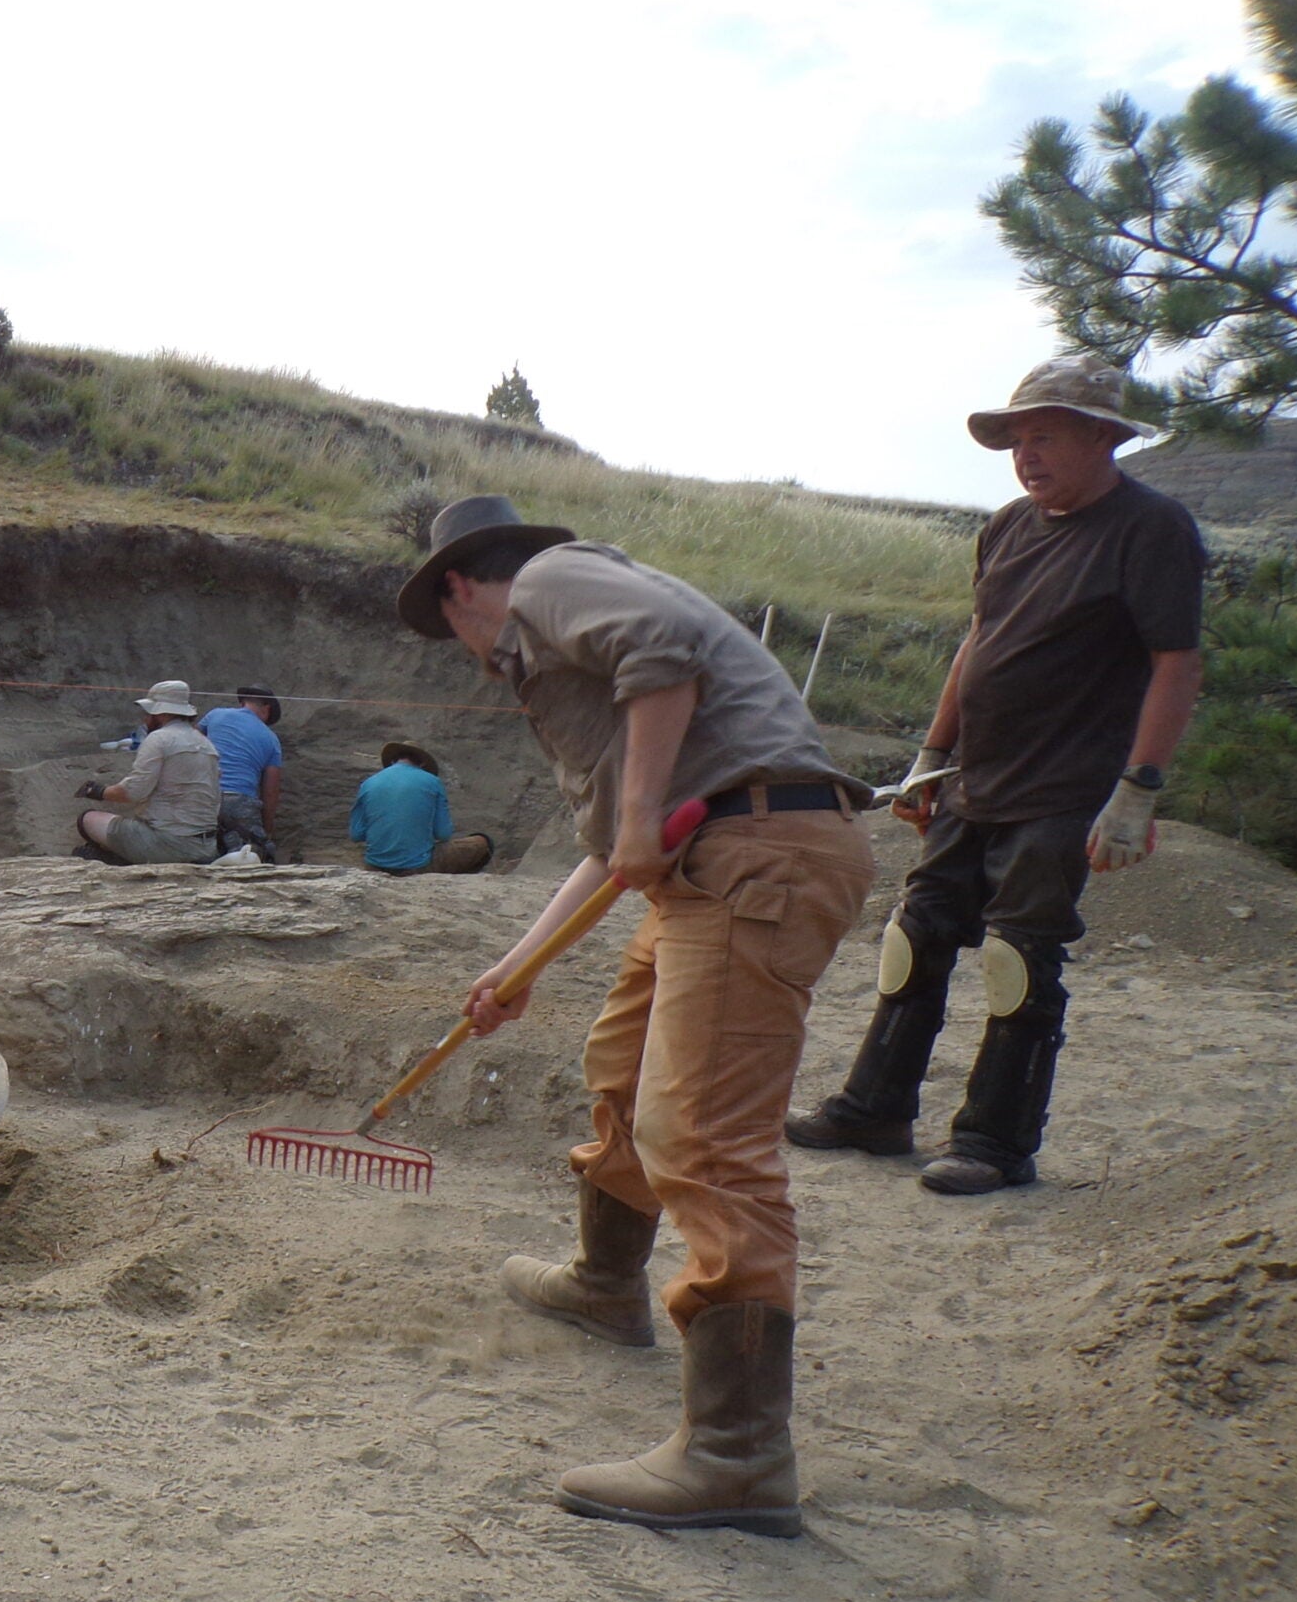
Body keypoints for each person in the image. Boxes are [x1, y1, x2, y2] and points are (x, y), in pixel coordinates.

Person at [397, 493, 875, 1536]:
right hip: (709, 865)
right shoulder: (566, 646)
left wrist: (640, 816)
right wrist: (516, 967)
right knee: (621, 1065)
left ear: (460, 588)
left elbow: (664, 659)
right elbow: (617, 845)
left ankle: (740, 1456)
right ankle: (606, 1283)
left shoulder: (550, 581)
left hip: (754, 858)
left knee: (702, 1139)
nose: (472, 657)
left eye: (450, 631)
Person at [787, 360, 1205, 1195]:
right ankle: (875, 1110)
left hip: (1064, 789)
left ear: (1102, 436)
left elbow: (1177, 662)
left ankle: (996, 1144)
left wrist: (1139, 789)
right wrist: (930, 757)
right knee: (915, 938)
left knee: (1018, 957)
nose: (1025, 455)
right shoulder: (1010, 526)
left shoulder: (1151, 528)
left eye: (1043, 436)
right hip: (974, 777)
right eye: (1016, 440)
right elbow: (979, 640)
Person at [76, 681, 221, 864]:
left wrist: (99, 792)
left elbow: (133, 792)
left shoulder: (160, 738)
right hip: (206, 846)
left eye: (149, 713)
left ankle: (120, 860)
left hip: (167, 843)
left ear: (162, 713)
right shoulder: (206, 745)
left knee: (87, 819)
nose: (146, 719)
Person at [349, 740, 493, 874]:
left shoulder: (368, 783)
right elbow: (443, 834)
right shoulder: (432, 781)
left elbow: (356, 834)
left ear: (393, 761)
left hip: (375, 866)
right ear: (422, 764)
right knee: (483, 842)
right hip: (418, 866)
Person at [197, 684, 283, 859]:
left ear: (243, 702)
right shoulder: (271, 739)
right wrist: (267, 830)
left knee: (200, 851)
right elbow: (270, 791)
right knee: (252, 855)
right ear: (267, 709)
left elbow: (189, 741)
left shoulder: (215, 715)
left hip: (203, 796)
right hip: (240, 801)